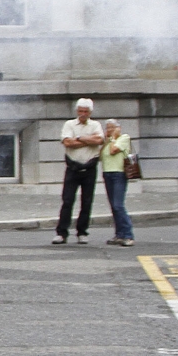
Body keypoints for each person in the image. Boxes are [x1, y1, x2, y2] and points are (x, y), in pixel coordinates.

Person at [54, 98, 103, 244]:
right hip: (73, 168)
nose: (83, 114)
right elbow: (68, 142)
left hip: (89, 167)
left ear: (90, 112)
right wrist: (88, 140)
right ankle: (61, 233)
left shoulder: (95, 125)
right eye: (80, 111)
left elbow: (99, 140)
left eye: (86, 112)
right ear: (77, 111)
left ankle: (82, 232)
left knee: (87, 201)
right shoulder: (69, 124)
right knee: (67, 200)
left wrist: (80, 138)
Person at [101, 119, 136, 247]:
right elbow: (101, 155)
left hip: (119, 173)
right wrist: (105, 140)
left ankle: (128, 235)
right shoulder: (108, 141)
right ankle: (119, 234)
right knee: (113, 206)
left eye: (112, 127)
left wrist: (113, 138)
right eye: (107, 127)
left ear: (118, 128)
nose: (109, 130)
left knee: (118, 205)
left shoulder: (124, 138)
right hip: (107, 173)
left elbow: (113, 150)